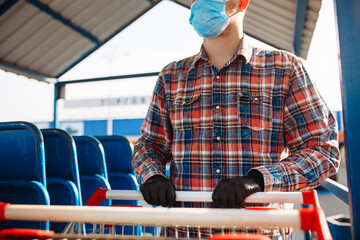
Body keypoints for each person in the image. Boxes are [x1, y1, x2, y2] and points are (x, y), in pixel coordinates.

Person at [133, 0, 340, 223]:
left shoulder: (285, 69)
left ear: (242, 3)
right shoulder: (171, 77)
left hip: (259, 233)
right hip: (185, 232)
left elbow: (322, 149)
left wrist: (259, 180)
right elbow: (149, 145)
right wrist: (152, 175)